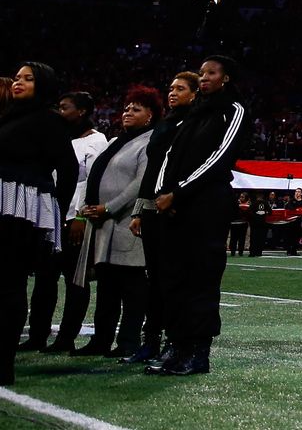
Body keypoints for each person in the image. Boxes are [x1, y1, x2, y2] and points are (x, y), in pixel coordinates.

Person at [144, 55, 251, 376]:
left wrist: (178, 192)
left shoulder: (233, 111)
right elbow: (169, 156)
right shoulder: (192, 114)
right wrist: (164, 192)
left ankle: (198, 352)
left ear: (226, 78)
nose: (204, 78)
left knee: (201, 280)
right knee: (173, 279)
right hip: (175, 206)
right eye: (202, 73)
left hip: (206, 205)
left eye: (211, 73)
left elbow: (220, 158)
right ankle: (177, 347)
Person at [0, 62, 81, 386]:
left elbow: (68, 168)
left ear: (44, 84)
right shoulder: (10, 117)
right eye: (17, 78)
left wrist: (54, 210)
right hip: (7, 202)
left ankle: (4, 363)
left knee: (9, 284)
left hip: (21, 207)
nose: (19, 82)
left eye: (28, 79)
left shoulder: (49, 120)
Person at [76, 87, 162, 356]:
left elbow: (140, 183)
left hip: (126, 224)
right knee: (107, 290)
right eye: (127, 108)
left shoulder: (149, 142)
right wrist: (89, 208)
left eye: (136, 109)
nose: (128, 112)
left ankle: (128, 343)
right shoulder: (118, 142)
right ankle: (100, 341)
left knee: (132, 290)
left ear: (150, 116)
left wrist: (109, 207)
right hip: (105, 225)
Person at [127, 70, 196, 366]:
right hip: (154, 206)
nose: (173, 92)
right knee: (153, 279)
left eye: (180, 88)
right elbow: (152, 169)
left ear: (194, 94)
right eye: (171, 87)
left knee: (170, 279)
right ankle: (150, 340)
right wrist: (139, 210)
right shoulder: (166, 123)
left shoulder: (193, 122)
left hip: (173, 207)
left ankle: (173, 342)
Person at [39, 91, 107, 353]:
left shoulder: (97, 141)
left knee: (74, 280)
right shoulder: (59, 139)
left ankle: (66, 336)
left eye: (64, 107)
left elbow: (92, 183)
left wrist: (80, 215)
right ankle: (38, 333)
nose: (60, 112)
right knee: (45, 278)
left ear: (81, 112)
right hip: (50, 217)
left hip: (73, 219)